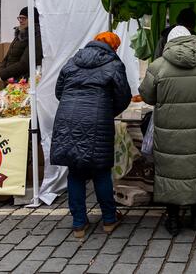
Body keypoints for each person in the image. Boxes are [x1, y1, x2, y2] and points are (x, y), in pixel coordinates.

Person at [51, 32, 132, 238]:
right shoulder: (114, 64)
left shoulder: (72, 62)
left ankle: (79, 223)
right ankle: (109, 219)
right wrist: (107, 110)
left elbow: (59, 91)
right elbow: (124, 97)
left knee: (76, 171)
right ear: (113, 47)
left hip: (67, 120)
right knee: (101, 171)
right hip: (97, 120)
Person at [139, 26, 196, 235]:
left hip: (169, 133)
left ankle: (173, 220)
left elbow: (147, 96)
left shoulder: (158, 67)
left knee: (170, 173)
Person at [0, 7, 43, 83]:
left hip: (23, 81)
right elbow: (7, 57)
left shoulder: (36, 37)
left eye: (24, 18)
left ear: (33, 19)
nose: (21, 21)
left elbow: (25, 63)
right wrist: (1, 72)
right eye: (19, 18)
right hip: (10, 79)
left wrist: (3, 74)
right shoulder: (19, 34)